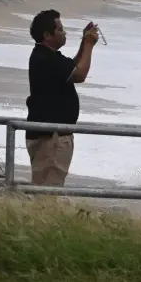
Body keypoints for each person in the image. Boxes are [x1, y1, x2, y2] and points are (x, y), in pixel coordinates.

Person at [25, 10, 100, 186]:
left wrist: (84, 42)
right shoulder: (45, 58)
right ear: (47, 35)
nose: (64, 32)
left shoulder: (48, 56)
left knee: (46, 187)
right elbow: (79, 74)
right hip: (51, 137)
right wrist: (88, 44)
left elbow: (72, 67)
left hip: (51, 135)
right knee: (47, 191)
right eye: (60, 29)